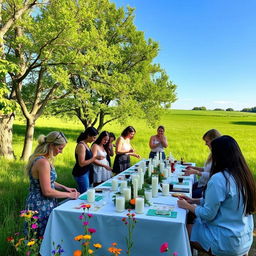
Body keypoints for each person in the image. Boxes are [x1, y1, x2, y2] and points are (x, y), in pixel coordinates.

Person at [177, 135, 256, 256]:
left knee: (183, 230)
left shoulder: (219, 178)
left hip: (226, 241)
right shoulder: (244, 176)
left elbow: (208, 214)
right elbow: (224, 203)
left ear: (219, 156)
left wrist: (187, 206)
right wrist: (194, 201)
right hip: (244, 238)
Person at [25, 131, 80, 236]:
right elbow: (47, 191)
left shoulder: (43, 159)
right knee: (39, 238)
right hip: (40, 205)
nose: (61, 152)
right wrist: (69, 195)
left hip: (42, 203)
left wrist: (65, 188)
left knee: (42, 237)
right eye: (60, 148)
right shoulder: (43, 162)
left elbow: (49, 181)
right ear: (51, 145)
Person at [184, 129, 221, 198]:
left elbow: (213, 175)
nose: (205, 144)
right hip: (202, 184)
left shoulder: (219, 156)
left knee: (187, 195)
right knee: (185, 189)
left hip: (206, 187)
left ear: (214, 140)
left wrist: (196, 172)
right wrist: (194, 168)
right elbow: (207, 169)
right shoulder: (212, 153)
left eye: (207, 141)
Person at [72, 127, 98, 193]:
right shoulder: (81, 146)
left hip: (87, 171)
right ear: (88, 135)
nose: (94, 140)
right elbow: (81, 163)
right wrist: (94, 158)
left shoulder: (86, 144)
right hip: (81, 173)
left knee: (88, 192)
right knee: (85, 193)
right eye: (94, 137)